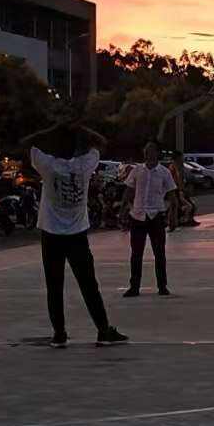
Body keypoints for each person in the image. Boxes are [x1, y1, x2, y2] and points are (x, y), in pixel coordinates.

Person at [25, 121, 126, 348]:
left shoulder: (48, 165)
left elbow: (27, 143)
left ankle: (59, 333)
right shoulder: (84, 165)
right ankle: (103, 330)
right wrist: (80, 128)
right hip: (77, 234)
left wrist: (52, 129)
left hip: (51, 233)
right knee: (89, 285)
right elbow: (101, 143)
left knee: (54, 286)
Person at [122, 141, 177, 297]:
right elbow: (129, 191)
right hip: (138, 216)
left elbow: (172, 195)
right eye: (146, 151)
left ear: (157, 153)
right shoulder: (137, 170)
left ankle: (162, 286)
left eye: (151, 151)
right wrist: (123, 211)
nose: (148, 154)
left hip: (156, 216)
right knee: (136, 253)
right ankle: (134, 287)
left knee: (159, 253)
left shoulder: (164, 172)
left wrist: (173, 216)